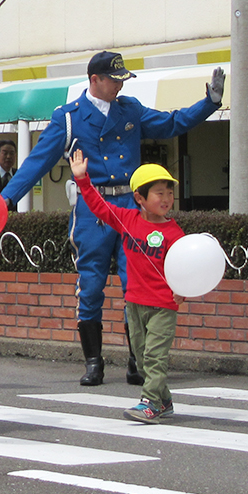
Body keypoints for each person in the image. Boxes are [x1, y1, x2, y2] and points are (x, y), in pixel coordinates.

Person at [0, 51, 224, 386]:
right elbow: (37, 162)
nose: (120, 85)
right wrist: (5, 200)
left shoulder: (129, 109)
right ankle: (94, 362)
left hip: (133, 209)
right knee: (90, 286)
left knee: (136, 285)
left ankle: (137, 361)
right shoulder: (69, 117)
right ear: (95, 80)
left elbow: (170, 123)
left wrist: (209, 102)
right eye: (114, 79)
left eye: (122, 79)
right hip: (94, 208)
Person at [70, 150, 184, 423]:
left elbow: (185, 265)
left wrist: (183, 287)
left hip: (162, 306)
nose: (166, 199)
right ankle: (164, 400)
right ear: (139, 198)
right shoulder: (127, 220)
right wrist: (82, 179)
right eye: (159, 193)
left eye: (169, 192)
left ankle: (151, 403)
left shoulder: (175, 232)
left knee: (155, 357)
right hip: (134, 302)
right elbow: (98, 206)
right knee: (143, 360)